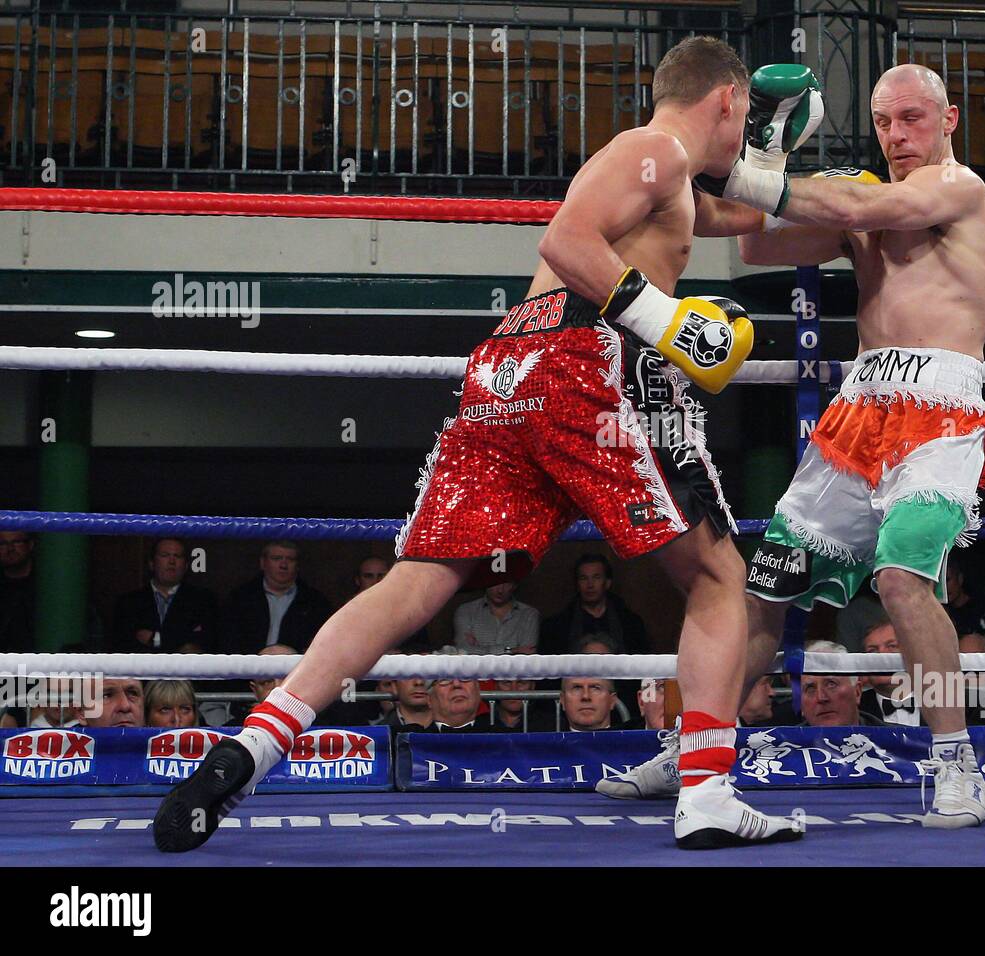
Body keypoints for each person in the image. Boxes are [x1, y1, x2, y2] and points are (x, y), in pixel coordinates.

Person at [154, 36, 803, 852]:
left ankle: (258, 739)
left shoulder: (666, 178)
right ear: (725, 100)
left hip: (509, 371)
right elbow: (565, 242)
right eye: (744, 119)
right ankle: (707, 790)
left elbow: (744, 217)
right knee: (716, 574)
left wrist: (777, 151)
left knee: (420, 582)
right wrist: (667, 321)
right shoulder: (653, 150)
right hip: (581, 361)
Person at [613, 62, 985, 828]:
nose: (897, 136)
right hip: (860, 408)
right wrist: (742, 155)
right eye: (885, 122)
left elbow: (878, 203)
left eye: (913, 119)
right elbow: (755, 243)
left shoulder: (958, 190)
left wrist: (767, 173)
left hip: (942, 410)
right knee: (762, 592)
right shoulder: (863, 203)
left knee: (901, 578)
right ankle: (698, 745)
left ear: (948, 120)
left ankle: (958, 764)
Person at [220, 541, 333, 654]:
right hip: (246, 667)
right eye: (276, 558)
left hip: (297, 668)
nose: (283, 565)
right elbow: (226, 641)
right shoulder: (240, 598)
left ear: (298, 565)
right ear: (263, 563)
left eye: (290, 559)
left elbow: (323, 646)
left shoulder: (315, 602)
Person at [111, 538, 219, 653]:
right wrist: (181, 639)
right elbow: (124, 646)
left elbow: (206, 643)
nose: (172, 561)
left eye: (178, 556)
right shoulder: (128, 603)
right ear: (152, 563)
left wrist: (155, 639)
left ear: (186, 566)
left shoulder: (204, 601)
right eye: (165, 555)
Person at [539, 555, 647, 655]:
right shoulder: (556, 627)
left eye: (596, 577)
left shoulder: (630, 624)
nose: (590, 585)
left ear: (608, 583)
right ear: (577, 584)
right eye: (583, 578)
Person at [453, 580, 539, 655]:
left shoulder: (528, 614)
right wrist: (512, 650)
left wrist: (479, 650)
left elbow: (526, 654)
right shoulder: (467, 611)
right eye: (495, 582)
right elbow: (463, 650)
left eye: (506, 583)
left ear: (515, 585)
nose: (500, 590)